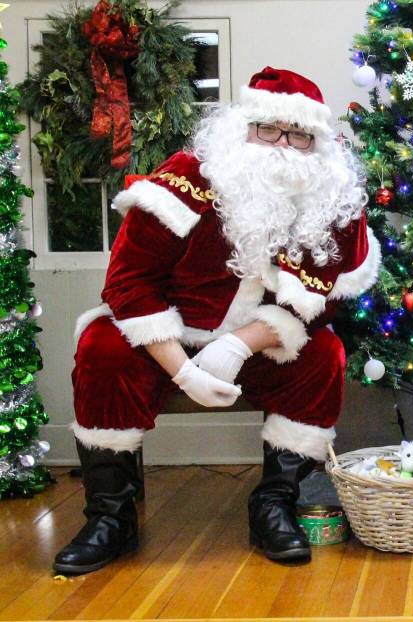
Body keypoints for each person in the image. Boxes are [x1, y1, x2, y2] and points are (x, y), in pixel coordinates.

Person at [53, 67, 381, 575]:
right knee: (102, 346)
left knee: (324, 355)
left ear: (317, 142)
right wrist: (183, 371)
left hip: (258, 343)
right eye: (267, 128)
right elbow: (127, 283)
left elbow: (321, 303)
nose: (281, 145)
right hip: (168, 334)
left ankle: (274, 503)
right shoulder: (186, 178)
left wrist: (235, 347)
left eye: (298, 134)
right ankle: (110, 518)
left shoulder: (331, 199)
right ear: (241, 127)